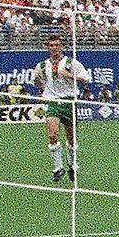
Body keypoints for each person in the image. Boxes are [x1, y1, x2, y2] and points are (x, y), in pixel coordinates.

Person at [32, 34, 89, 182]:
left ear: (61, 47)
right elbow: (38, 84)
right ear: (48, 47)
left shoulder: (71, 62)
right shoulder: (42, 65)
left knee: (71, 138)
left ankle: (72, 165)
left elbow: (85, 79)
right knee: (52, 134)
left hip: (69, 101)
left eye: (56, 45)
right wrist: (37, 79)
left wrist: (69, 75)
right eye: (51, 45)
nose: (54, 48)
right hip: (52, 102)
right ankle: (58, 168)